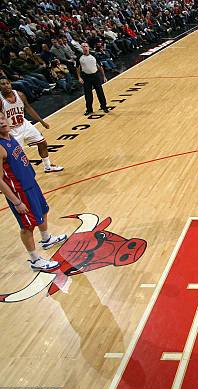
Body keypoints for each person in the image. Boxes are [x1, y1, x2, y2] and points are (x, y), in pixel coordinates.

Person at [0, 112, 67, 272]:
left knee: (44, 210)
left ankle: (46, 239)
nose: (2, 122)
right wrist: (16, 202)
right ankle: (35, 260)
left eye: (2, 118)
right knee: (27, 226)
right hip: (19, 192)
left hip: (31, 183)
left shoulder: (11, 137)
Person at [0, 78, 64, 173]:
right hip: (11, 130)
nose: (6, 85)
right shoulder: (1, 100)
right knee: (15, 155)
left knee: (42, 143)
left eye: (7, 83)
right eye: (3, 84)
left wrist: (42, 121)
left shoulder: (20, 95)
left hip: (24, 125)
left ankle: (48, 166)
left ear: (10, 84)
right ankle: (17, 174)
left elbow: (28, 108)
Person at [76, 43, 108, 116]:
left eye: (86, 46)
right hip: (86, 77)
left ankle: (104, 107)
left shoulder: (94, 55)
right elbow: (77, 68)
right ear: (81, 48)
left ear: (88, 47)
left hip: (95, 76)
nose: (85, 48)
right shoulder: (79, 57)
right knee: (88, 94)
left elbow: (100, 66)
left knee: (100, 92)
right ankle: (89, 109)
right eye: (83, 46)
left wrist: (104, 76)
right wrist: (79, 77)